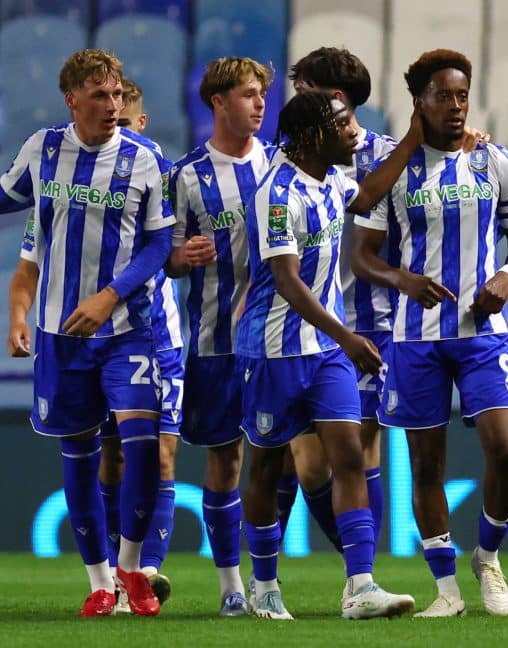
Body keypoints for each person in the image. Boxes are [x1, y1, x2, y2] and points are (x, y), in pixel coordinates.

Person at [351, 49, 508, 618]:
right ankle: (447, 592)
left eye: (462, 95)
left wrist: (507, 274)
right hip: (413, 337)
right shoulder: (394, 173)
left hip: (483, 332)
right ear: (419, 102)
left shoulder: (495, 162)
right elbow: (360, 257)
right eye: (443, 96)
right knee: (427, 467)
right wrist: (401, 279)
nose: (455, 106)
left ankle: (487, 555)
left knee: (507, 450)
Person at [235, 91, 421, 621]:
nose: (353, 132)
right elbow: (288, 282)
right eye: (344, 124)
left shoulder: (334, 182)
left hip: (325, 353)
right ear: (315, 134)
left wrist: (412, 136)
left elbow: (367, 196)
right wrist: (347, 336)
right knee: (267, 468)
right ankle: (265, 584)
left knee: (348, 457)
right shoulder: (277, 193)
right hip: (273, 349)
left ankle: (360, 587)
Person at [0, 48, 172, 617]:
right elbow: (6, 199)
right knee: (79, 453)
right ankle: (100, 582)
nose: (113, 106)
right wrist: (21, 315)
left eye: (118, 95)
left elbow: (159, 244)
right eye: (100, 96)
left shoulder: (146, 157)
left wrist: (110, 294)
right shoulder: (43, 150)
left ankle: (131, 567)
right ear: (72, 99)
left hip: (127, 328)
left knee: (143, 446)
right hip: (60, 334)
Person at [271, 47, 399, 555]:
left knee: (362, 452)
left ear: (334, 98)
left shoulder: (390, 156)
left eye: (303, 90)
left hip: (373, 322)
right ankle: (266, 578)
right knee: (303, 460)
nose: (294, 101)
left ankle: (364, 571)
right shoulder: (289, 158)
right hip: (304, 323)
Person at [164, 57, 276, 617]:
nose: (260, 105)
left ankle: (272, 580)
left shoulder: (281, 166)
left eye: (262, 96)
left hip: (280, 342)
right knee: (227, 462)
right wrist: (180, 257)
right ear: (218, 101)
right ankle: (232, 584)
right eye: (250, 95)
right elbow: (164, 255)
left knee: (287, 460)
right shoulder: (185, 177)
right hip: (215, 344)